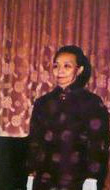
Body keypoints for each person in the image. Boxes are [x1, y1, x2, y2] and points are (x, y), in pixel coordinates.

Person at [27, 45, 109, 190]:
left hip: (76, 179)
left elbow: (98, 144)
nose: (60, 71)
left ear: (80, 70)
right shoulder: (43, 102)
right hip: (44, 179)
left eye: (67, 66)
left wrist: (92, 178)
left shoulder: (92, 102)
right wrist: (31, 174)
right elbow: (35, 142)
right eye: (56, 66)